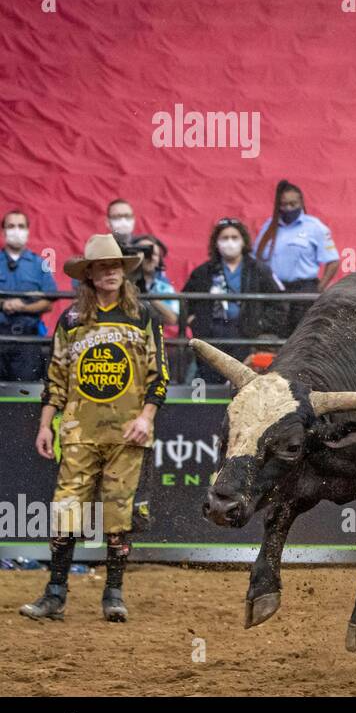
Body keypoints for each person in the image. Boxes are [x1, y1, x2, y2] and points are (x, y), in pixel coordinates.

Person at [20, 235, 168, 624]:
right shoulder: (70, 320)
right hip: (77, 432)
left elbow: (160, 375)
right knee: (66, 512)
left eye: (116, 265)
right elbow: (55, 376)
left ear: (124, 271)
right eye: (103, 266)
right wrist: (45, 425)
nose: (111, 272)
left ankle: (113, 594)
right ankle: (55, 593)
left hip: (127, 434)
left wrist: (146, 417)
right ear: (89, 274)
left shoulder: (142, 315)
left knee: (119, 516)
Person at [182, 217, 289, 383]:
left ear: (243, 241)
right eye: (224, 238)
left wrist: (260, 324)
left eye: (234, 238)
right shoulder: (203, 272)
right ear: (216, 243)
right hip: (212, 336)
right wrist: (196, 322)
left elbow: (280, 303)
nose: (230, 242)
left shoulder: (258, 269)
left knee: (243, 382)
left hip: (245, 335)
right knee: (211, 382)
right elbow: (185, 302)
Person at [253, 180, 340, 333]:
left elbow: (333, 261)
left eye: (293, 204)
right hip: (274, 290)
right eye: (284, 204)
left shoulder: (314, 227)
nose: (288, 208)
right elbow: (256, 258)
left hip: (303, 290)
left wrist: (319, 289)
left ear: (301, 202)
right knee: (274, 337)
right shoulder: (269, 227)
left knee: (300, 336)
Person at [0, 209, 56, 382]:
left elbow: (49, 302)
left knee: (24, 394)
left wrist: (23, 306)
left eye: (20, 226)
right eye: (11, 226)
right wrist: (3, 303)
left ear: (27, 230)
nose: (16, 230)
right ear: (3, 231)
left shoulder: (41, 264)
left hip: (28, 341)